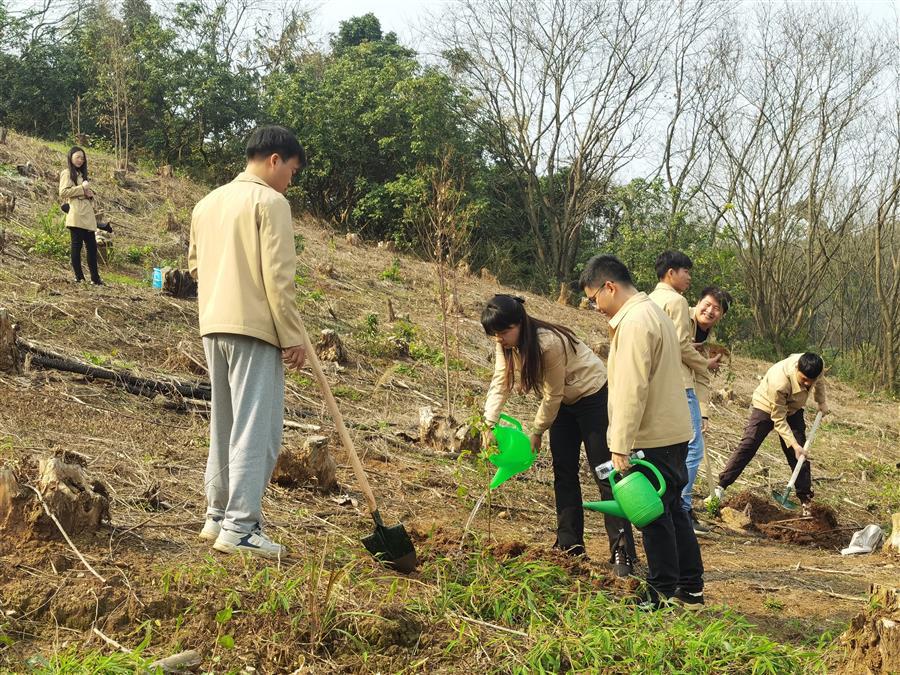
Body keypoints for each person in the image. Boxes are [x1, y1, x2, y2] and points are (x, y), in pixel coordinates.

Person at [188, 125, 310, 559]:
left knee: (224, 425)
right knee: (257, 430)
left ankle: (216, 515)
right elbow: (280, 279)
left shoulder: (206, 203)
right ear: (274, 160)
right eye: (292, 171)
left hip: (213, 326)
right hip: (254, 328)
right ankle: (241, 527)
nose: (290, 181)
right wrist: (292, 336)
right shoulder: (271, 202)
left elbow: (196, 267)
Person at [481, 293, 637, 576]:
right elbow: (501, 382)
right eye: (495, 335)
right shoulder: (504, 342)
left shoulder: (548, 343)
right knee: (563, 472)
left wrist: (537, 431)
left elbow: (553, 394)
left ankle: (622, 549)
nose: (500, 339)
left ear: (520, 323)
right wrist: (488, 424)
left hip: (592, 398)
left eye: (503, 332)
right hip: (563, 404)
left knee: (605, 473)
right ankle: (570, 545)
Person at [580, 254, 704, 607]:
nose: (595, 307)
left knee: (650, 515)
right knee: (674, 510)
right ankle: (690, 585)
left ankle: (661, 590)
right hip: (672, 431)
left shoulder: (635, 322)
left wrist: (619, 445)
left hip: (652, 435)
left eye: (593, 299)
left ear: (609, 287)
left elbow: (631, 388)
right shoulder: (654, 311)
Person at [649, 251, 720, 534]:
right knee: (693, 448)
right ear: (671, 273)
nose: (689, 277)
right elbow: (680, 344)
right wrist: (704, 363)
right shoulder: (676, 301)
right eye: (686, 271)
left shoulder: (648, 299)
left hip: (655, 384)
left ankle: (660, 504)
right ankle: (682, 508)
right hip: (679, 385)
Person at [710, 353, 829, 516]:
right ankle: (720, 486)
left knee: (799, 454)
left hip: (793, 408)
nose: (808, 384)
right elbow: (778, 419)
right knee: (749, 444)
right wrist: (792, 444)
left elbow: (820, 381)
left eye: (811, 381)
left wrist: (821, 401)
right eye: (803, 380)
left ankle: (805, 499)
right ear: (796, 369)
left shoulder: (818, 366)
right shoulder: (778, 381)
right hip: (767, 405)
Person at [59, 147, 103, 285]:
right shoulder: (67, 173)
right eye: (78, 157)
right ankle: (79, 277)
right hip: (76, 214)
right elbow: (63, 192)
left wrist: (89, 195)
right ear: (71, 157)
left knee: (92, 247)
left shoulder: (82, 175)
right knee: (76, 247)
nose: (80, 160)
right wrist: (82, 189)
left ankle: (95, 279)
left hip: (88, 215)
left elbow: (85, 194)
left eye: (82, 158)